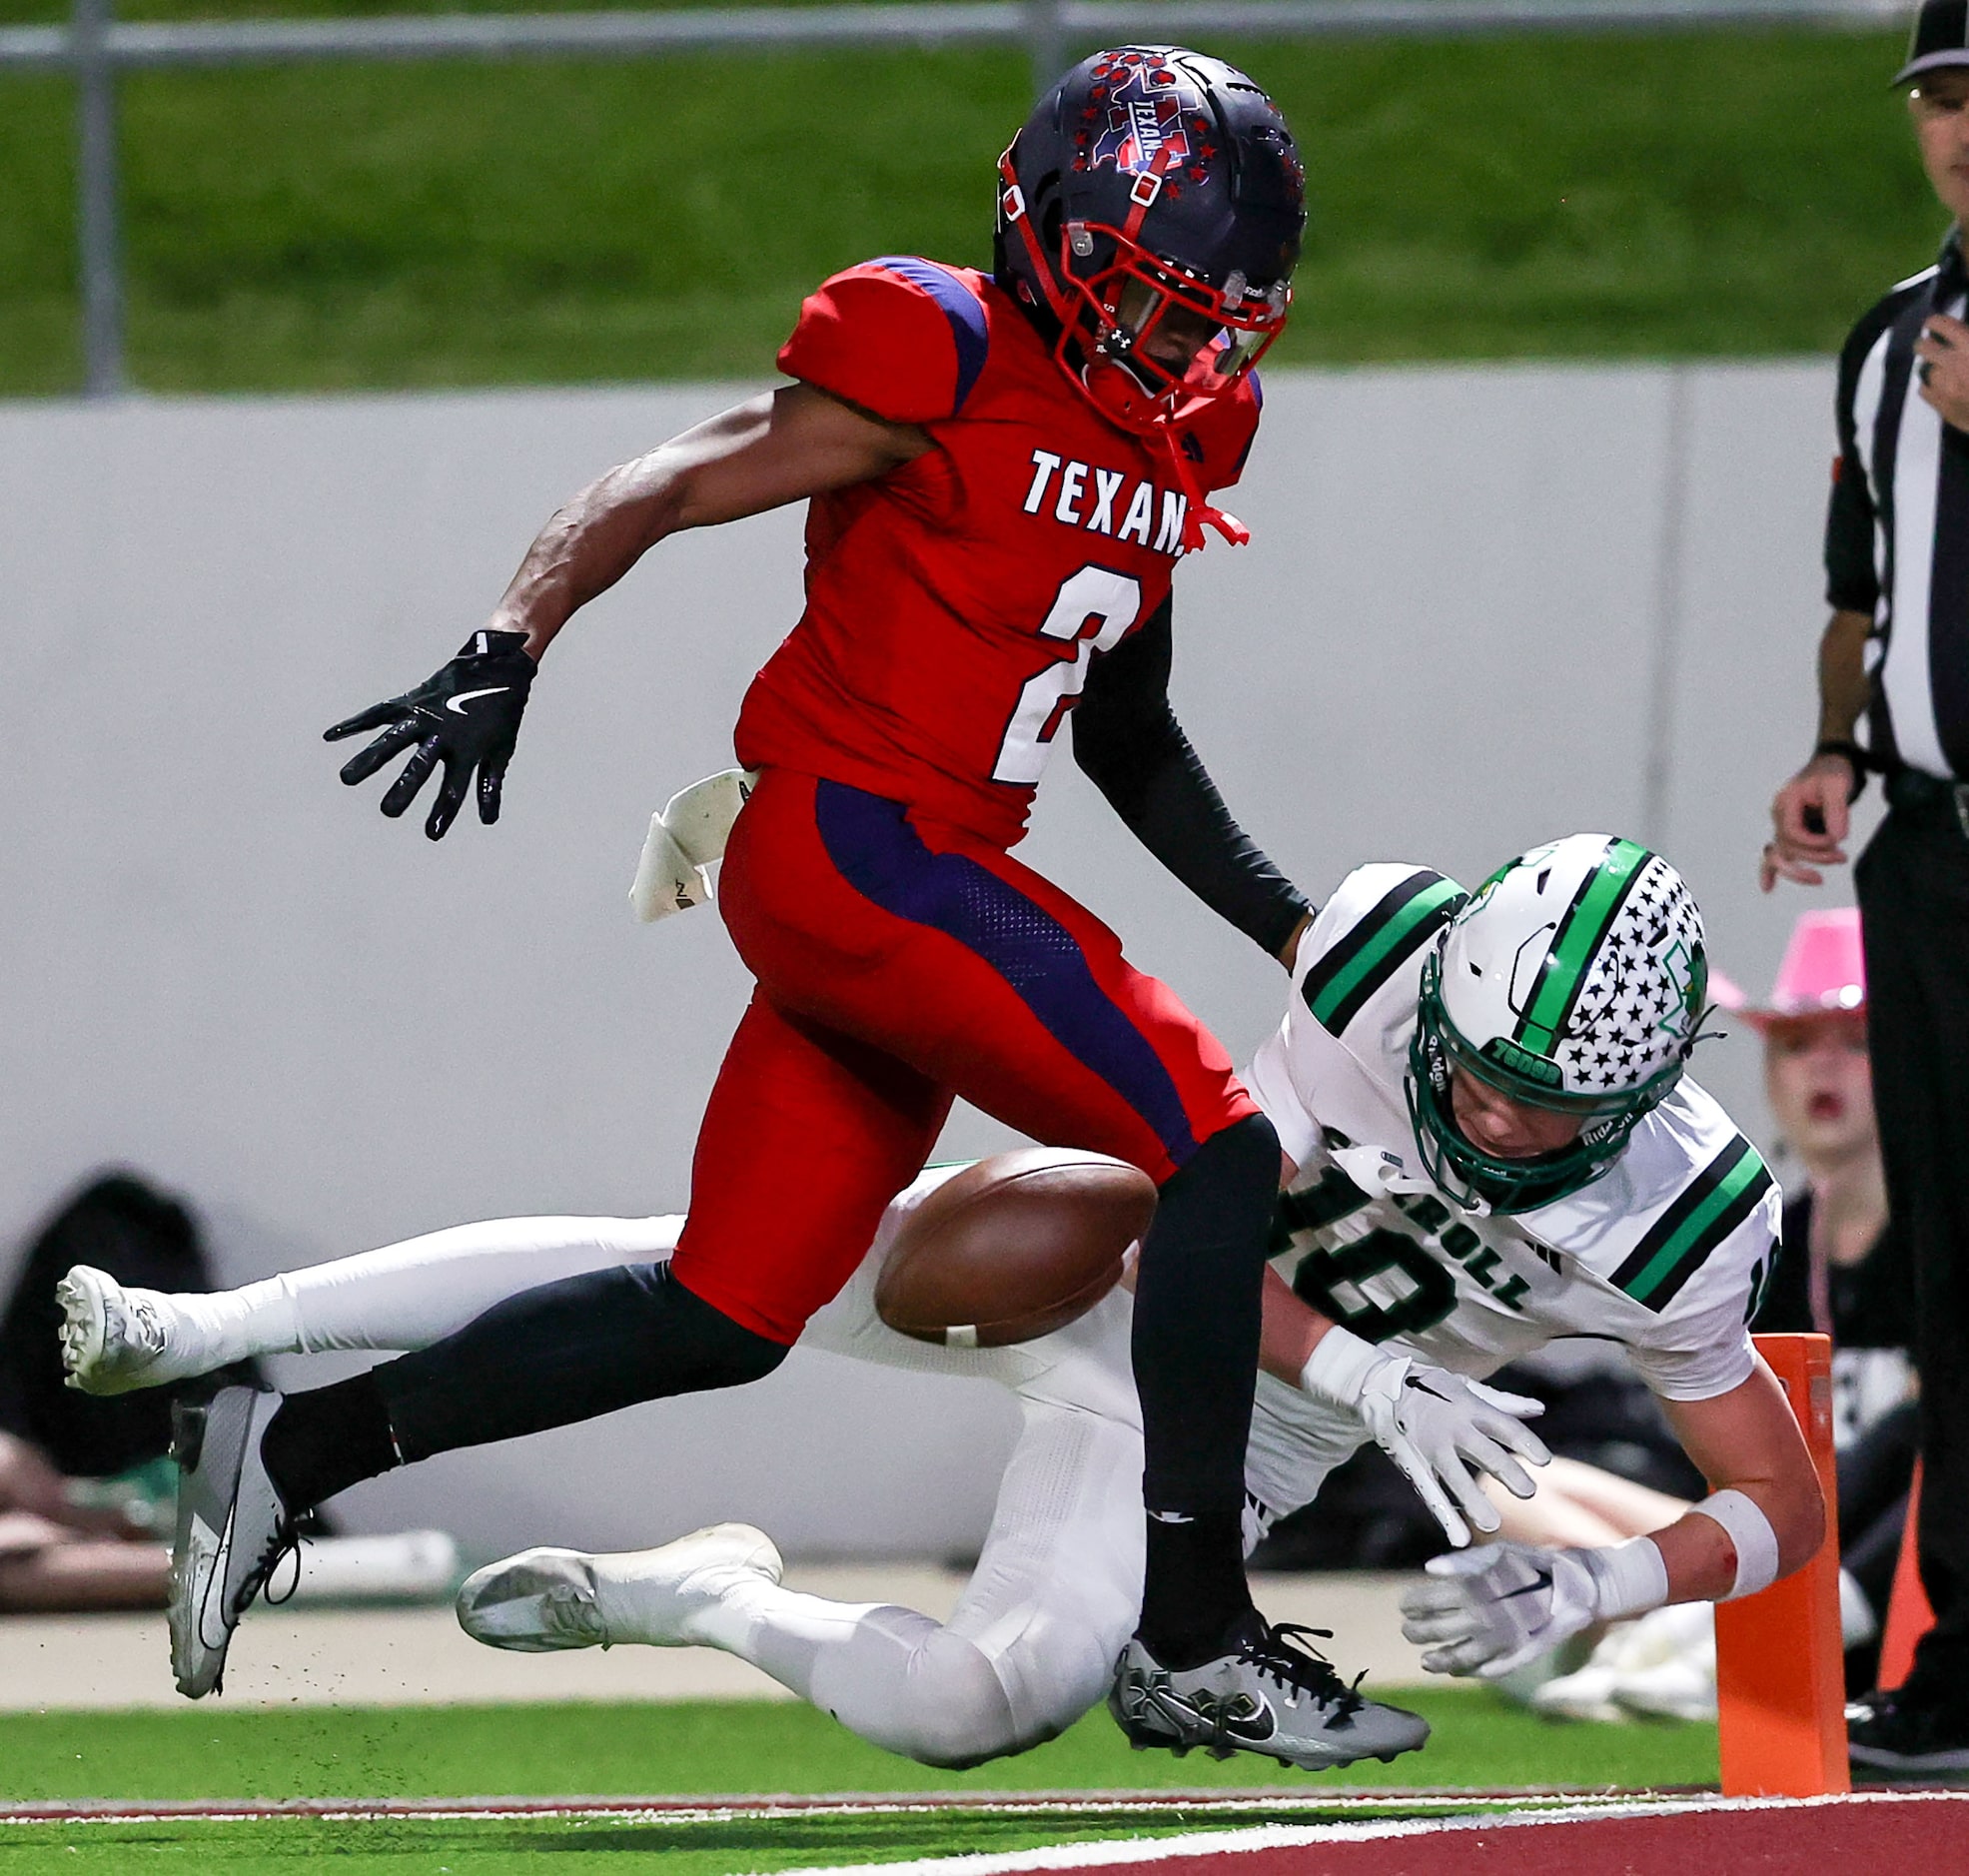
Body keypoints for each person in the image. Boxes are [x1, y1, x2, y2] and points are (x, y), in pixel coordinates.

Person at [163, 46, 1353, 1755]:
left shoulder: (1183, 425)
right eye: (1165, 306)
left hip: (917, 879)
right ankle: (1192, 1629)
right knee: (1220, 1145)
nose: (1199, 351)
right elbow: (668, 479)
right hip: (858, 849)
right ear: (1062, 241)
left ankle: (290, 1449)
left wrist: (1289, 921)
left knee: (722, 1314)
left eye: (1222, 317)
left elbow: (1131, 733)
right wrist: (513, 635)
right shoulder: (933, 345)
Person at [78, 836, 1823, 1754]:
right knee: (706, 1264)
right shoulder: (1382, 960)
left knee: (977, 1707)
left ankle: (702, 1597)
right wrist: (1377, 1377)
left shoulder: (1683, 1219)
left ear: (1643, 1083)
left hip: (1199, 1448)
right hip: (1112, 1266)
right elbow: (1191, 1233)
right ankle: (219, 1328)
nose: (1491, 1112)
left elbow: (1783, 1504)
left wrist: (1592, 1578)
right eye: (1476, 1064)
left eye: (1541, 1102)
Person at [1758, 0, 1969, 1774]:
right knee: (1950, 1268)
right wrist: (1834, 749)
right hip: (1928, 848)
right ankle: (1959, 1663)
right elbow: (1862, 591)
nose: (1963, 128)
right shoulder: (1889, 341)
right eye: (1943, 98)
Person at [1513, 908, 1913, 1722]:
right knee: (1501, 1481)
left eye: (1856, 1041)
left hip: (1900, 1571)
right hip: (1777, 1534)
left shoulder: (1942, 1240)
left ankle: (1699, 1635)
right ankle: (1678, 1630)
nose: (1820, 1071)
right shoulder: (1765, 1239)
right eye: (1795, 1045)